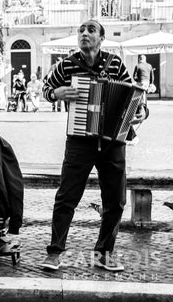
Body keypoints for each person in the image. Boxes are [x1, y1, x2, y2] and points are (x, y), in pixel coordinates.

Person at [40, 20, 147, 272]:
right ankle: (55, 252)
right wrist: (57, 94)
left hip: (113, 141)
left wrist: (142, 111)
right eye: (81, 30)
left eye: (90, 30)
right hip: (79, 140)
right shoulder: (67, 65)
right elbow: (46, 89)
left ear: (101, 39)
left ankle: (104, 254)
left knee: (115, 200)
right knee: (66, 197)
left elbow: (135, 95)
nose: (84, 34)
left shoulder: (115, 63)